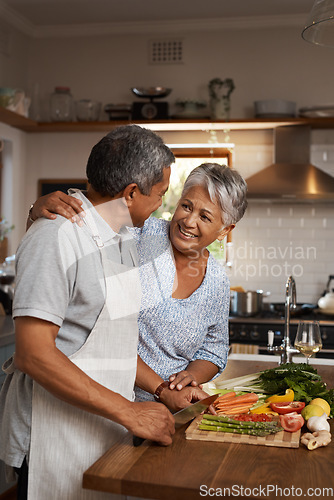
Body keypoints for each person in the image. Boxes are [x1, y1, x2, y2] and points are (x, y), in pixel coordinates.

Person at [0, 125, 208, 500]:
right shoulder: (55, 237)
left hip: (100, 427)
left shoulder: (125, 237)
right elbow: (34, 355)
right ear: (130, 193)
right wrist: (130, 412)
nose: (162, 205)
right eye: (160, 195)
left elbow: (115, 343)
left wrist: (161, 390)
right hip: (52, 431)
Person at [30, 162, 248, 404]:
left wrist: (187, 380)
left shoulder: (216, 282)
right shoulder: (137, 233)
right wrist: (36, 211)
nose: (188, 221)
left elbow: (213, 350)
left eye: (205, 217)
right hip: (106, 400)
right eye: (186, 206)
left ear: (224, 230)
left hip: (173, 409)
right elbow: (71, 234)